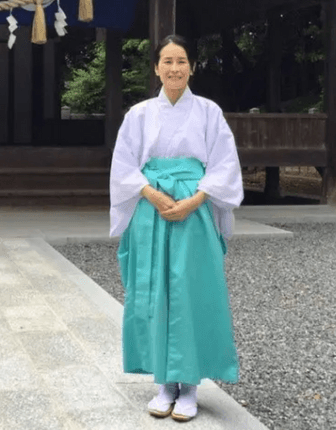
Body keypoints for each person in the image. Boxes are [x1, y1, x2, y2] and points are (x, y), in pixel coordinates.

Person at [109, 34, 244, 422]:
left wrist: (196, 199)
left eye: (181, 61)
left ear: (192, 67)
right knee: (155, 291)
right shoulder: (138, 114)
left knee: (190, 291)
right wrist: (150, 194)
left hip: (194, 208)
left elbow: (224, 164)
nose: (174, 68)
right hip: (152, 209)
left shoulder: (208, 112)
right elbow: (123, 165)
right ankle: (165, 383)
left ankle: (190, 385)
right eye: (167, 61)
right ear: (156, 67)